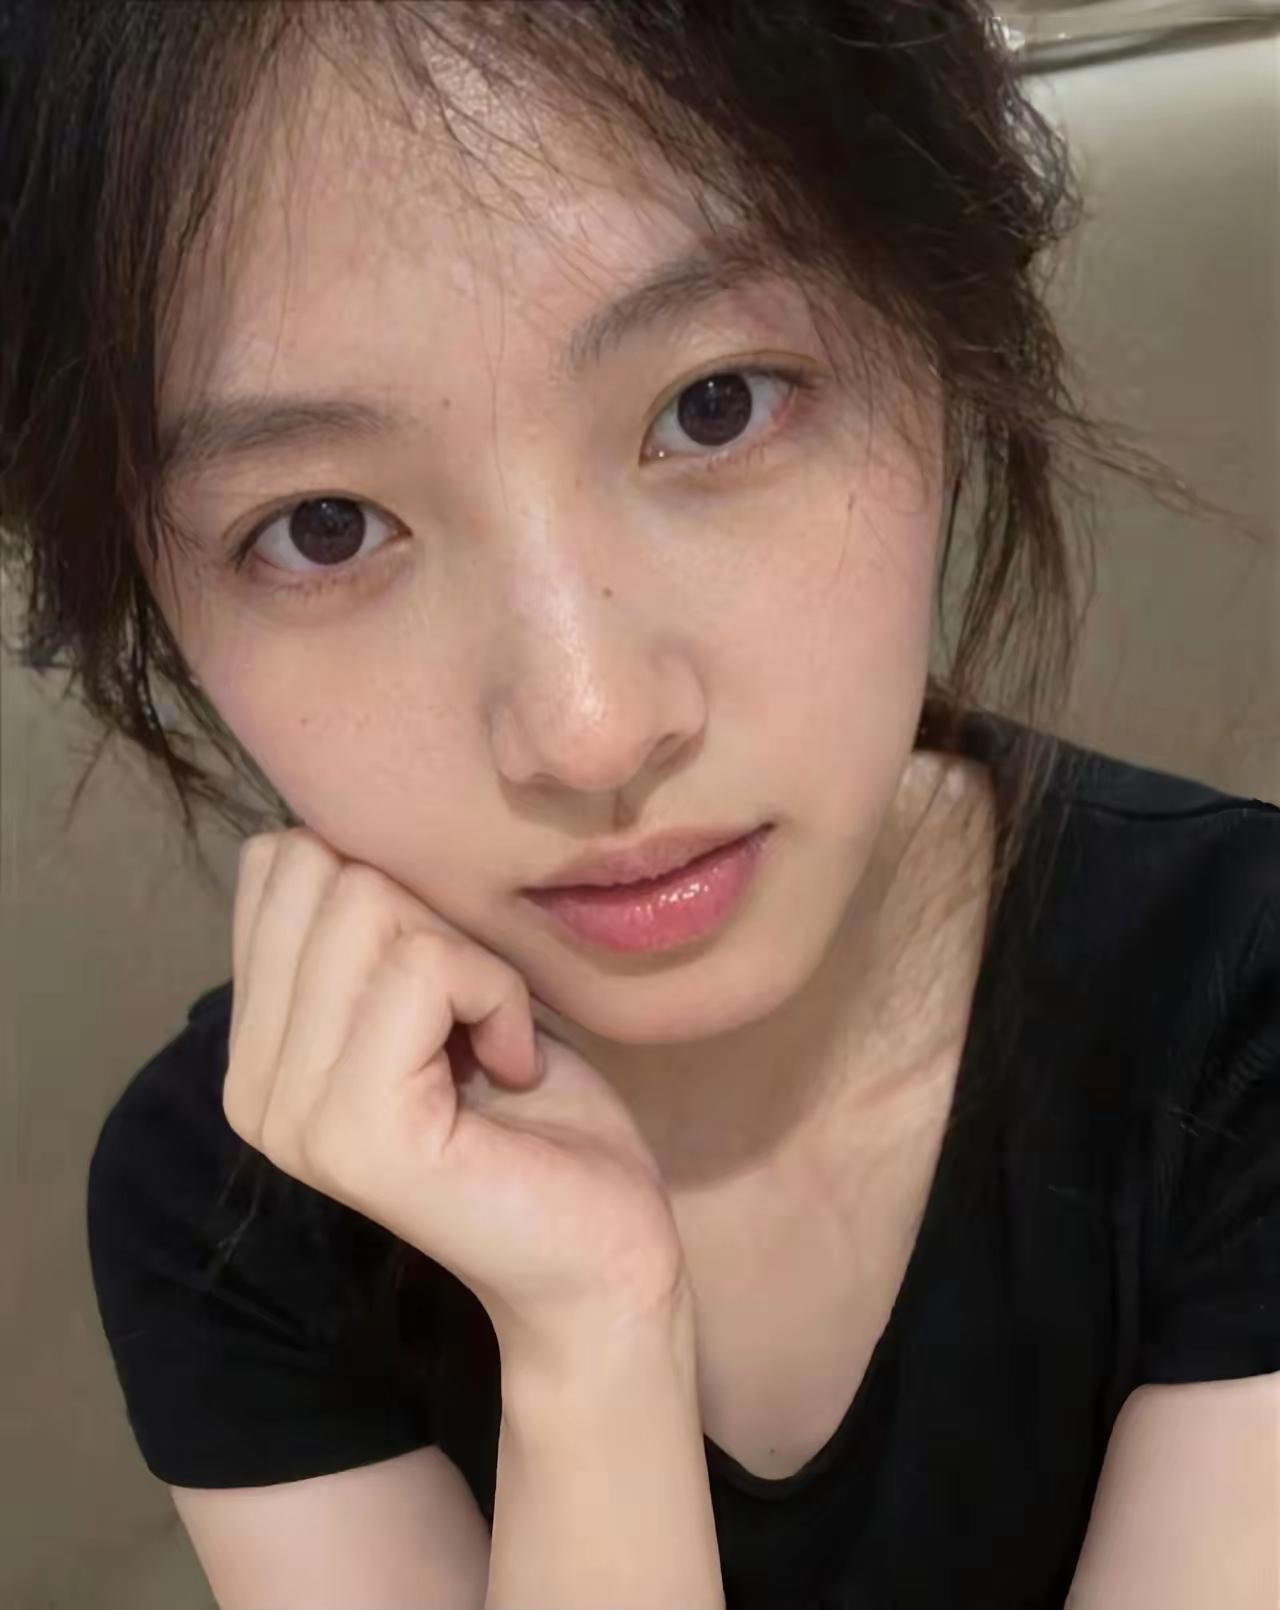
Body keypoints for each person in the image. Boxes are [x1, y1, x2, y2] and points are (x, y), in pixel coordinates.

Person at [2, 2, 1276, 1606]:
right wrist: (588, 1345)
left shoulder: (1241, 1021)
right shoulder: (226, 1199)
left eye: (717, 403)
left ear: (945, 344)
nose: (590, 728)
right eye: (324, 525)